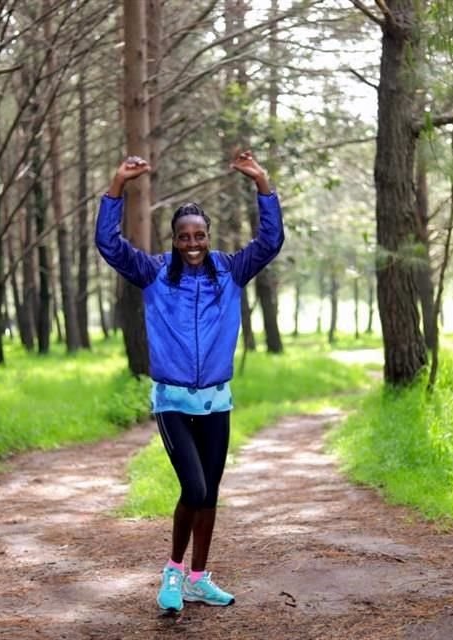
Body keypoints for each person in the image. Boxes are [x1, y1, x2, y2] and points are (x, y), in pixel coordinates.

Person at [95, 150, 284, 613]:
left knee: (211, 493)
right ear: (175, 240)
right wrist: (117, 186)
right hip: (173, 401)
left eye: (199, 235)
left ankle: (199, 578)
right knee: (194, 490)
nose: (192, 243)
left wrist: (261, 182)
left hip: (217, 401)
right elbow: (109, 244)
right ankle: (173, 572)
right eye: (184, 236)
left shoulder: (230, 271)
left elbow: (271, 240)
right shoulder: (155, 273)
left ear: (208, 237)